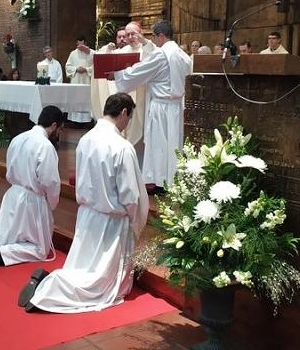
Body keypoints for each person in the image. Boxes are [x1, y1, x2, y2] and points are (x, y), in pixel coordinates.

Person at [18, 93, 149, 313]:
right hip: (111, 222)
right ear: (124, 112)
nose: (128, 123)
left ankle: (51, 284)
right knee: (98, 282)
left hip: (88, 215)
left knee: (83, 266)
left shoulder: (85, 139)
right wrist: (135, 220)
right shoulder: (122, 147)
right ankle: (50, 287)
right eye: (129, 117)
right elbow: (130, 194)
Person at [0, 106, 64, 268]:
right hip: (32, 199)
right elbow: (49, 181)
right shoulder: (45, 146)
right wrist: (51, 204)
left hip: (13, 193)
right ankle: (1, 253)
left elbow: (10, 165)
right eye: (59, 128)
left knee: (3, 233)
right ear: (53, 125)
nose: (59, 133)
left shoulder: (19, 138)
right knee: (40, 249)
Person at [114, 20, 192, 195]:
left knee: (159, 144)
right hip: (176, 106)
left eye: (155, 37)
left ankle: (159, 182)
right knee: (173, 144)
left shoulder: (162, 55)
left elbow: (140, 72)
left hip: (160, 106)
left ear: (161, 35)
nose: (154, 40)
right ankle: (171, 180)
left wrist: (118, 75)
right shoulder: (181, 54)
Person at [65, 36, 94, 123]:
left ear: (85, 44)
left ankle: (87, 120)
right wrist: (76, 69)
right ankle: (74, 120)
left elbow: (96, 66)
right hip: (76, 81)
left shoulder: (91, 53)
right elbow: (68, 66)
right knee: (75, 99)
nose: (79, 47)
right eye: (78, 44)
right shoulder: (73, 54)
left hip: (86, 82)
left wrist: (86, 69)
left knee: (86, 99)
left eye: (81, 44)